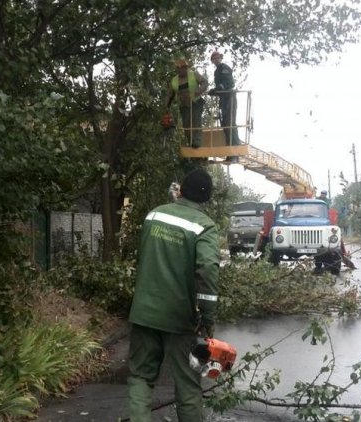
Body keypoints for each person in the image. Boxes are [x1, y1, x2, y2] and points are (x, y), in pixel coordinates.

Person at [128, 168, 220, 422]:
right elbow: (208, 269)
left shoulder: (154, 215)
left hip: (144, 311)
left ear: (180, 190)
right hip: (180, 319)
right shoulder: (204, 226)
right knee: (188, 384)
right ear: (206, 199)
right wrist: (207, 318)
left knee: (140, 377)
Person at [166, 58, 209, 148]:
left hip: (196, 102)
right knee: (186, 124)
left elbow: (204, 82)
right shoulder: (174, 80)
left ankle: (197, 141)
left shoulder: (193, 74)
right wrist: (166, 107)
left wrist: (199, 91)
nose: (179, 69)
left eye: (181, 67)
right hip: (184, 105)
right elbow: (170, 95)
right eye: (177, 68)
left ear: (186, 68)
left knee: (196, 120)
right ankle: (190, 142)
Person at [208, 51, 240, 162]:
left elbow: (230, 84)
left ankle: (235, 153)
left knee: (230, 124)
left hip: (229, 98)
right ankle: (229, 154)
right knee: (226, 126)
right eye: (214, 58)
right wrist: (214, 91)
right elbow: (220, 88)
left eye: (218, 57)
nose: (216, 59)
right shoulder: (216, 71)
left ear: (220, 58)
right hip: (223, 100)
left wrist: (218, 89)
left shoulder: (224, 68)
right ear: (212, 61)